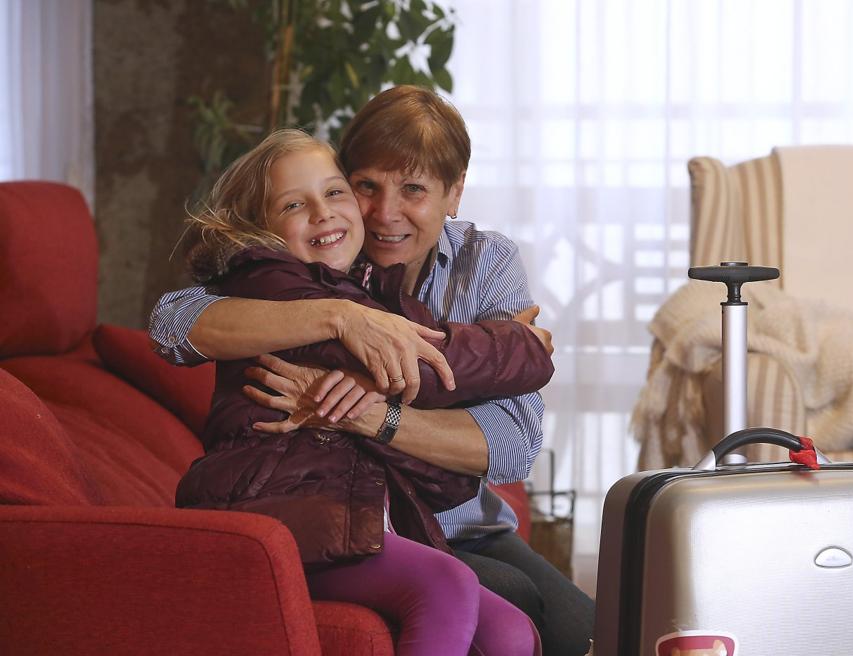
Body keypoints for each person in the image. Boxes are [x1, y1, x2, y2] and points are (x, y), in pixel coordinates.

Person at [150, 85, 595, 656]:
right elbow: (171, 324)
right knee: (509, 596)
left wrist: (370, 413)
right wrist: (337, 318)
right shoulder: (321, 255)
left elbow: (512, 445)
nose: (385, 214)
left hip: (453, 517)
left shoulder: (483, 262)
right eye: (366, 187)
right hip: (347, 512)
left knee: (593, 633)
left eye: (413, 190)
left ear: (454, 193)